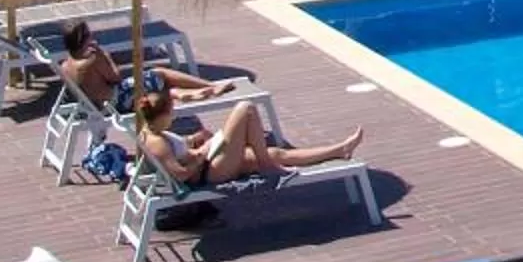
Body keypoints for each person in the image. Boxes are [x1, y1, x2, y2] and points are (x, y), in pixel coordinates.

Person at [133, 83, 359, 189]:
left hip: (208, 163)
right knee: (245, 109)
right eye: (170, 113)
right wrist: (201, 156)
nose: (173, 116)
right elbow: (181, 175)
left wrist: (194, 141)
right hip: (208, 173)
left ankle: (340, 150)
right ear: (160, 116)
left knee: (275, 153)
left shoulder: (153, 131)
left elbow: (179, 153)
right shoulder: (156, 142)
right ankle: (266, 165)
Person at [58, 18, 231, 112]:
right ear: (84, 38)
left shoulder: (66, 65)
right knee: (160, 73)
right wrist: (105, 54)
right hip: (119, 102)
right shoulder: (93, 59)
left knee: (155, 84)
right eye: (89, 34)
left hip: (96, 106)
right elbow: (116, 77)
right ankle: (211, 85)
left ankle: (180, 94)